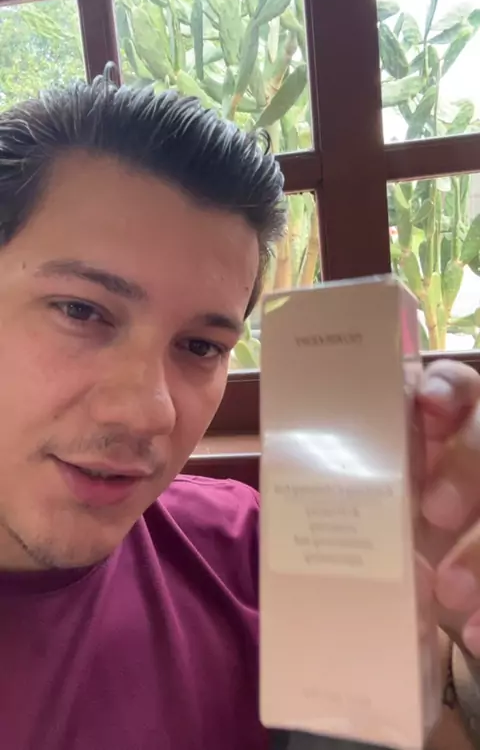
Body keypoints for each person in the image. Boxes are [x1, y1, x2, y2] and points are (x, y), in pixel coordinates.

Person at [0, 72, 479, 750]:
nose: (149, 411)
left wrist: (461, 652)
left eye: (201, 346)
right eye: (81, 310)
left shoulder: (254, 554)